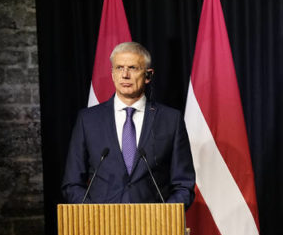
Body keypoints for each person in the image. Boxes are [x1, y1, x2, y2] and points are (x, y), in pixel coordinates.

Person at [62, 42, 195, 207]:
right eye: (119, 68)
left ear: (148, 75)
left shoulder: (170, 119)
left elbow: (184, 184)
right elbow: (72, 183)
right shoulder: (88, 120)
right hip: (101, 221)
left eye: (132, 68)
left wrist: (165, 215)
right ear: (112, 74)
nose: (125, 75)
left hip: (153, 221)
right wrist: (93, 214)